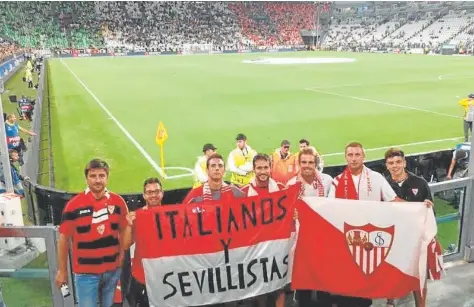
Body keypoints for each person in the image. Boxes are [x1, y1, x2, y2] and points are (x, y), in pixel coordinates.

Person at [328, 142, 398, 307]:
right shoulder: (337, 182)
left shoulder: (376, 178)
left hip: (370, 239)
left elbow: (394, 201)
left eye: (357, 155)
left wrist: (418, 206)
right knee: (347, 282)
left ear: (363, 156)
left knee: (367, 282)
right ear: (345, 157)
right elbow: (329, 210)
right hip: (347, 239)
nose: (353, 159)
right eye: (350, 155)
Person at [55, 159, 129, 307]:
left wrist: (121, 256)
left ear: (107, 178)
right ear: (86, 179)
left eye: (101, 176)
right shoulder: (73, 205)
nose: (97, 180)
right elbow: (64, 240)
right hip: (85, 274)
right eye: (93, 176)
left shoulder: (118, 202)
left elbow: (124, 229)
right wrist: (62, 271)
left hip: (112, 271)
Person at [384, 148, 436, 307]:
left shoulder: (420, 183)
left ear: (405, 162)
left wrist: (427, 207)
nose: (395, 166)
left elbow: (431, 212)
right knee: (391, 274)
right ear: (386, 165)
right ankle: (390, 302)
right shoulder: (383, 184)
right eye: (391, 163)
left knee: (418, 275)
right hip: (392, 238)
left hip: (415, 239)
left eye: (398, 162)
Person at [287, 148, 332, 307]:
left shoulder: (327, 181)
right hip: (301, 238)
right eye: (303, 162)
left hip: (322, 237)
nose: (307, 166)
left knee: (323, 281)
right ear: (299, 164)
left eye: (310, 162)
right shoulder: (292, 184)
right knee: (304, 281)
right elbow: (286, 212)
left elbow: (333, 207)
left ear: (316, 164)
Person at [241, 153, 286, 307]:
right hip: (255, 249)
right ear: (254, 169)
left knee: (280, 285)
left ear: (270, 168)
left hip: (277, 247)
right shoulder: (244, 192)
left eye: (265, 167)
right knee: (259, 286)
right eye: (259, 168)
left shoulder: (280, 189)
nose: (262, 171)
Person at [122, 177, 164, 307]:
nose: (153, 195)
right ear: (144, 195)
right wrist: (129, 225)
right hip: (142, 276)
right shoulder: (137, 216)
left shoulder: (171, 215)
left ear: (162, 193)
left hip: (165, 275)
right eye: (150, 192)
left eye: (156, 191)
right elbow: (125, 244)